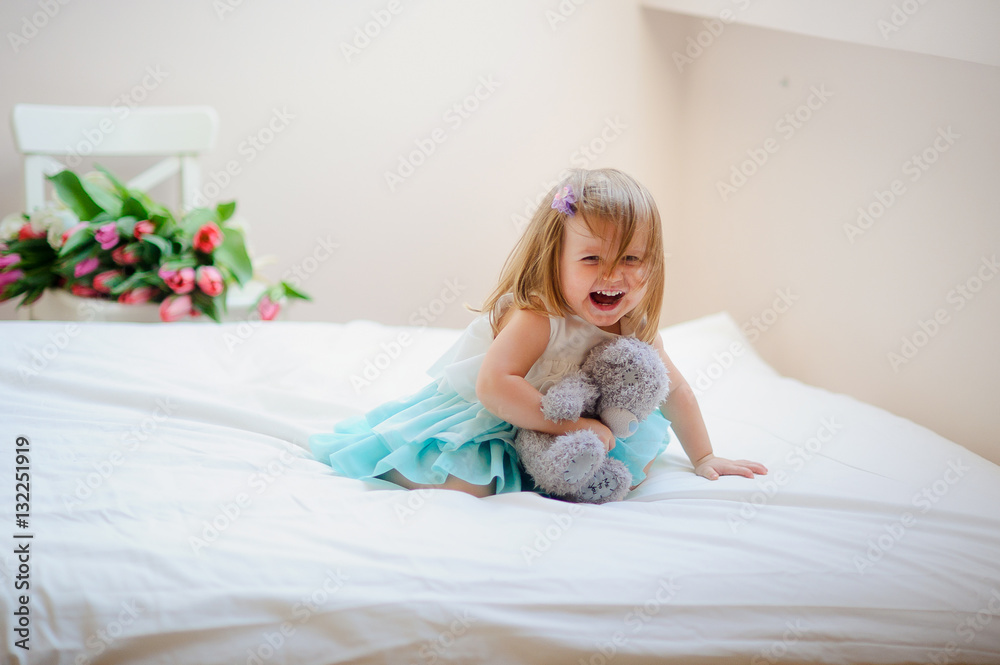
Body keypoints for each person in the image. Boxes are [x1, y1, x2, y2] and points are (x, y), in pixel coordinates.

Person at [309, 168, 766, 499]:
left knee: (630, 469)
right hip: (500, 416)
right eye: (592, 260)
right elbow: (493, 386)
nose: (613, 275)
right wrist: (575, 425)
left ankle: (557, 469)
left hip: (566, 435)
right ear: (555, 260)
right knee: (472, 483)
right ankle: (397, 467)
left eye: (631, 259)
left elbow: (675, 390)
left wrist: (704, 456)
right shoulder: (538, 316)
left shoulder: (633, 327)